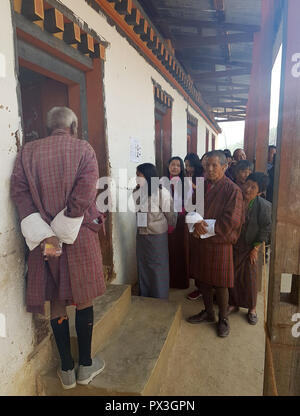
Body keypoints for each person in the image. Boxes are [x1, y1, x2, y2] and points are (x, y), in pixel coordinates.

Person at [11, 107, 106, 390]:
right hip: (78, 236)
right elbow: (86, 191)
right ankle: (85, 365)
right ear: (74, 127)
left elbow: (20, 193)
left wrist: (46, 233)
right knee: (84, 297)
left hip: (44, 242)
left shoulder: (27, 152)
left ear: (48, 126)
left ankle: (66, 369)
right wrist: (65, 225)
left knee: (57, 300)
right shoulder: (84, 149)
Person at [186, 150, 244, 337]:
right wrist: (195, 223)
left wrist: (205, 228)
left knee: (221, 283)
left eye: (214, 166)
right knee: (202, 279)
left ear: (225, 166)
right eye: (206, 166)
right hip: (201, 241)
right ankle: (209, 313)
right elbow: (193, 209)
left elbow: (231, 221)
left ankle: (223, 318)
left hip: (220, 242)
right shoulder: (202, 186)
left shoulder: (232, 190)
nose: (209, 169)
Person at [228, 173, 272, 325]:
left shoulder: (264, 206)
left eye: (253, 187)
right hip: (234, 244)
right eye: (247, 184)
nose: (248, 189)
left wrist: (256, 249)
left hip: (251, 246)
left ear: (260, 192)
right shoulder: (236, 200)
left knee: (250, 277)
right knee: (232, 274)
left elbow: (265, 229)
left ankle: (252, 308)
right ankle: (233, 303)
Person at [134, 163, 177, 299]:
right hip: (141, 234)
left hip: (157, 236)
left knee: (158, 267)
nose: (136, 178)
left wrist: (169, 226)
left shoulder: (161, 192)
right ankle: (145, 295)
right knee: (144, 265)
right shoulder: (137, 192)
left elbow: (171, 214)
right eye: (136, 175)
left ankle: (160, 297)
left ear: (148, 176)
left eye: (139, 175)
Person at [167, 157, 191, 289]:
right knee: (169, 251)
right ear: (168, 166)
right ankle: (169, 281)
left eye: (178, 165)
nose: (175, 167)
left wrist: (179, 213)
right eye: (172, 164)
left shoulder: (185, 183)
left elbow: (189, 202)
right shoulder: (162, 182)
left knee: (181, 251)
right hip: (166, 220)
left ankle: (181, 282)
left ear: (181, 168)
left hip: (181, 220)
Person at [184, 153, 205, 301]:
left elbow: (201, 195)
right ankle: (199, 286)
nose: (188, 168)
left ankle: (202, 288)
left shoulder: (201, 177)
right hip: (190, 215)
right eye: (186, 165)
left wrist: (191, 184)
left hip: (201, 217)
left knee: (201, 253)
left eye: (190, 165)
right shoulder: (185, 176)